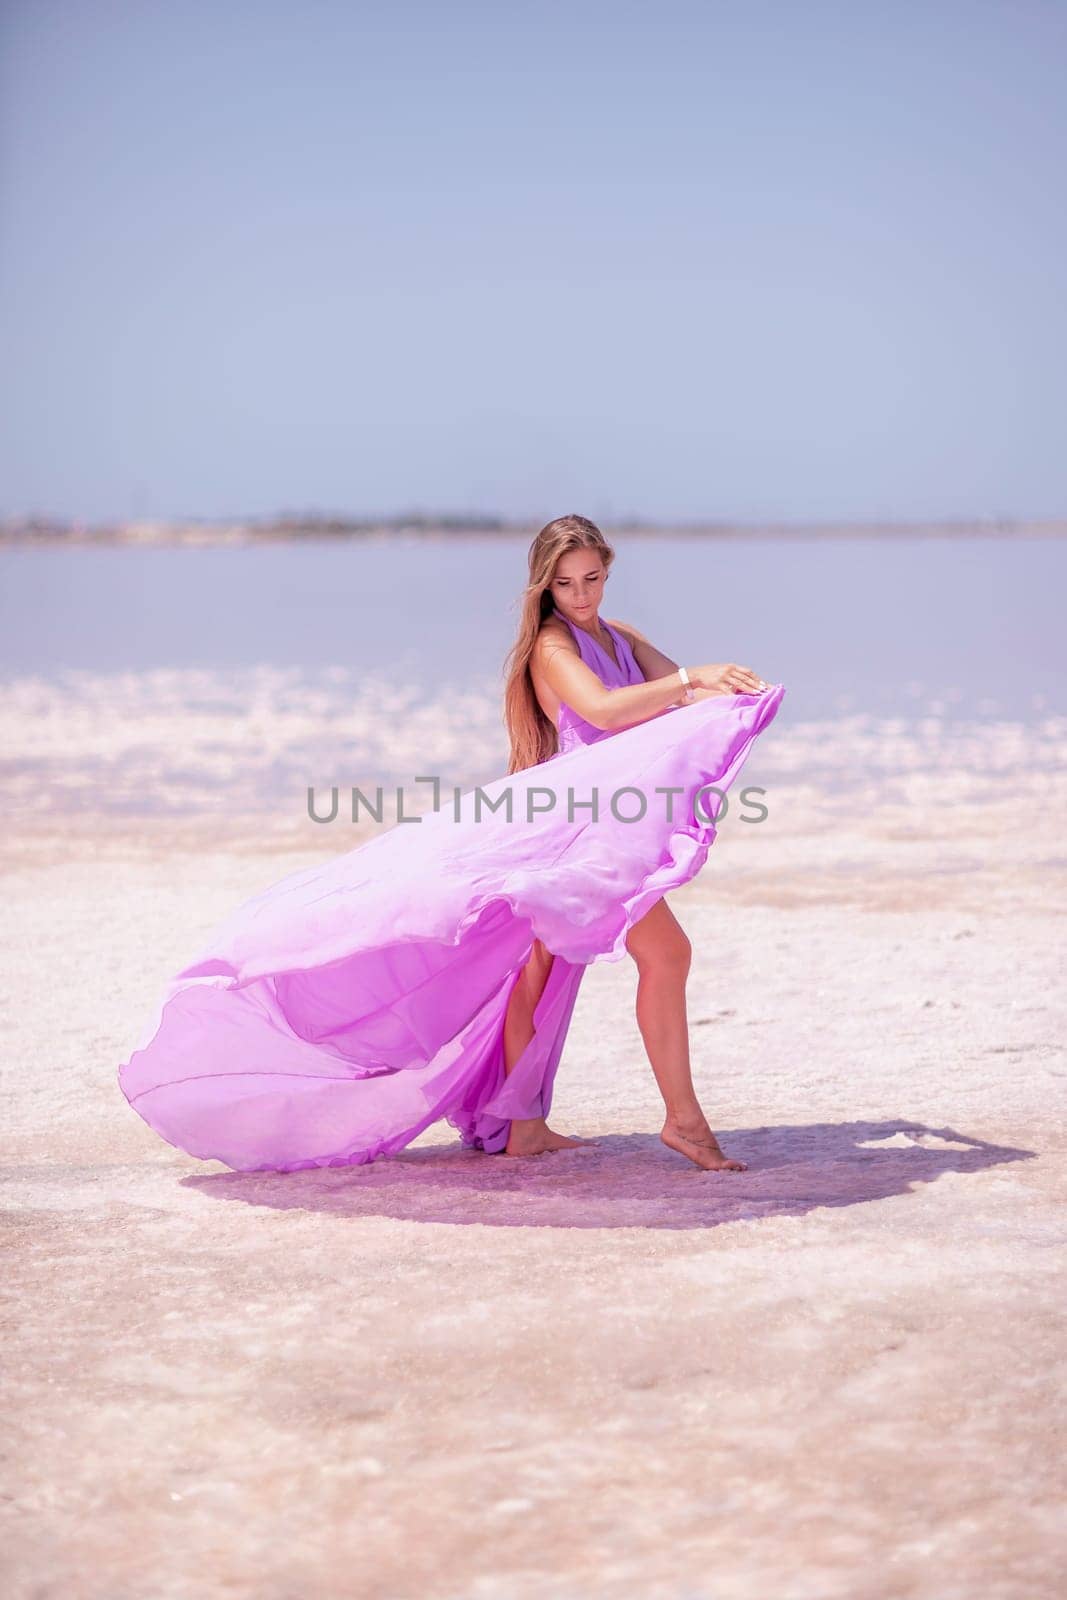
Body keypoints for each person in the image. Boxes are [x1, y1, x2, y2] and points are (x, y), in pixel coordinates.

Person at [118, 513, 784, 1176]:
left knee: (553, 969)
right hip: (575, 832)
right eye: (566, 583)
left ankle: (531, 1126)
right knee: (628, 959)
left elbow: (674, 706)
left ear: (607, 573)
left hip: (602, 826)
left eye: (592, 579)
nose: (581, 595)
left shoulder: (621, 638)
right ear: (543, 587)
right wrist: (695, 674)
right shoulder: (552, 647)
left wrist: (723, 695)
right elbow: (609, 712)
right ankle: (676, 1123)